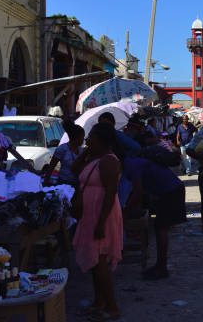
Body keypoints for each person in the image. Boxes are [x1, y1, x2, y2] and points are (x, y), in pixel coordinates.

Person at [72, 123, 122, 320]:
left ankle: (112, 306)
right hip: (90, 213)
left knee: (99, 260)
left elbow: (110, 193)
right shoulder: (94, 158)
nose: (87, 141)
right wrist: (85, 153)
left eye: (91, 138)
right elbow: (75, 169)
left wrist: (101, 223)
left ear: (101, 141)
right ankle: (99, 301)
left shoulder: (109, 161)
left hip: (102, 213)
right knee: (93, 261)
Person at [122, 155, 186, 281]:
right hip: (170, 190)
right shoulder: (133, 162)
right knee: (160, 228)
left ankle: (162, 268)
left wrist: (125, 212)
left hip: (171, 191)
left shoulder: (131, 165)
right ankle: (160, 265)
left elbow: (138, 192)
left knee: (161, 228)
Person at [43, 122, 85, 187]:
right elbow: (51, 167)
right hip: (63, 182)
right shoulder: (62, 149)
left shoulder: (81, 150)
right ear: (76, 138)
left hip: (77, 183)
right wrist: (45, 183)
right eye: (82, 137)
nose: (83, 140)